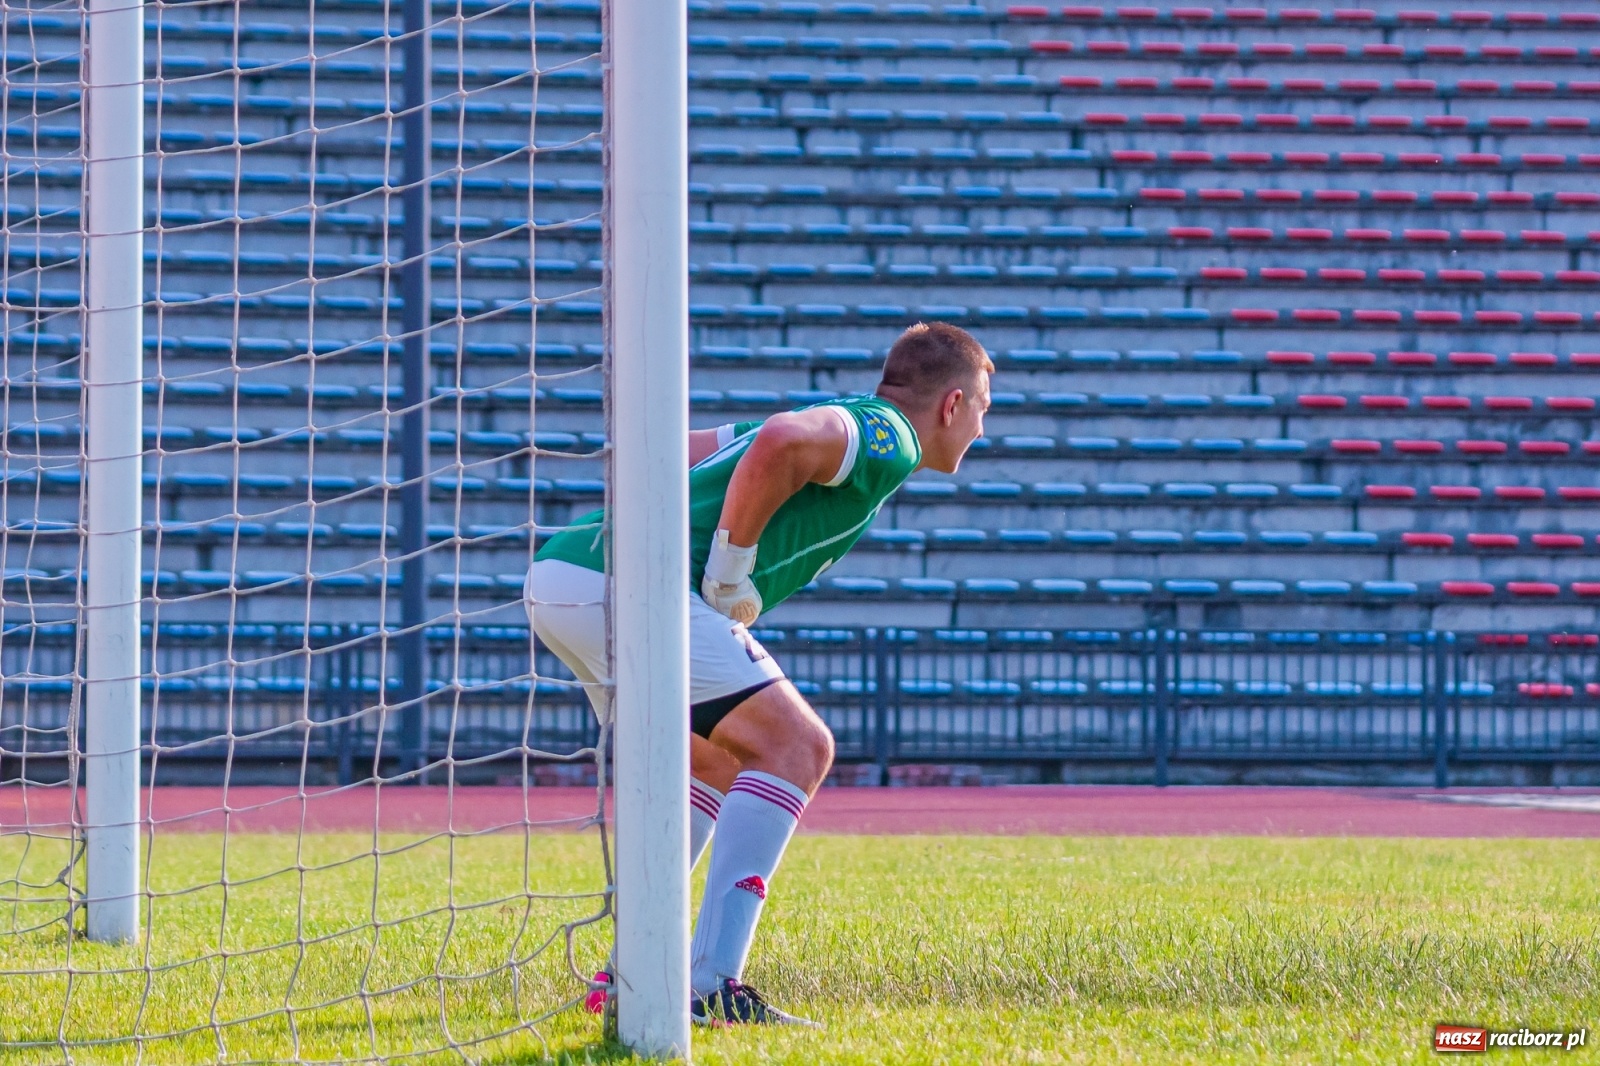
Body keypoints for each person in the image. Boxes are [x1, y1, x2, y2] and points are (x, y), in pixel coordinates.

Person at [525, 321, 993, 1026]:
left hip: (566, 568)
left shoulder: (840, 422)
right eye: (983, 410)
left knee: (714, 761)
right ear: (952, 405)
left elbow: (661, 452)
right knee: (798, 748)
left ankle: (629, 970)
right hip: (627, 584)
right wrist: (728, 564)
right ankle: (711, 985)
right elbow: (780, 444)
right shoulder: (889, 435)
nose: (981, 431)